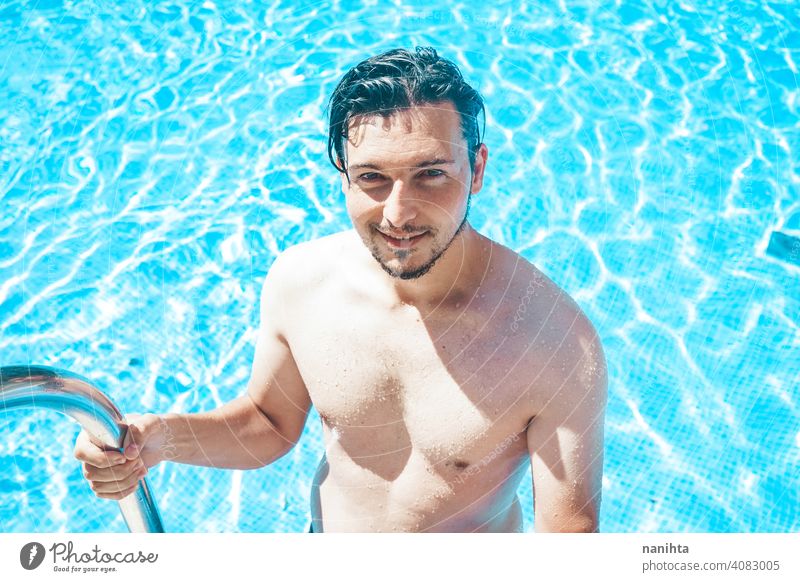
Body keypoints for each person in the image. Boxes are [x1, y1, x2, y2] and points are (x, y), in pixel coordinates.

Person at [74, 47, 608, 533]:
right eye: (372, 177)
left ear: (477, 169)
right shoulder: (303, 284)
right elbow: (268, 424)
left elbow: (568, 538)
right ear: (343, 176)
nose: (399, 214)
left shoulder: (556, 344)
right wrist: (157, 440)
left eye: (431, 174)